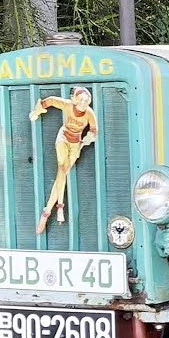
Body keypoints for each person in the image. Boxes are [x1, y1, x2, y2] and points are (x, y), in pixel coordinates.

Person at [30, 87, 98, 233]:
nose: (83, 103)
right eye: (80, 99)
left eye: (86, 101)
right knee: (61, 167)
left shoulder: (89, 114)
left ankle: (47, 211)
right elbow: (51, 101)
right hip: (63, 137)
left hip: (76, 144)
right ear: (74, 99)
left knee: (62, 174)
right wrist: (37, 111)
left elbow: (94, 129)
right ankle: (59, 207)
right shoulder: (67, 105)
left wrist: (88, 139)